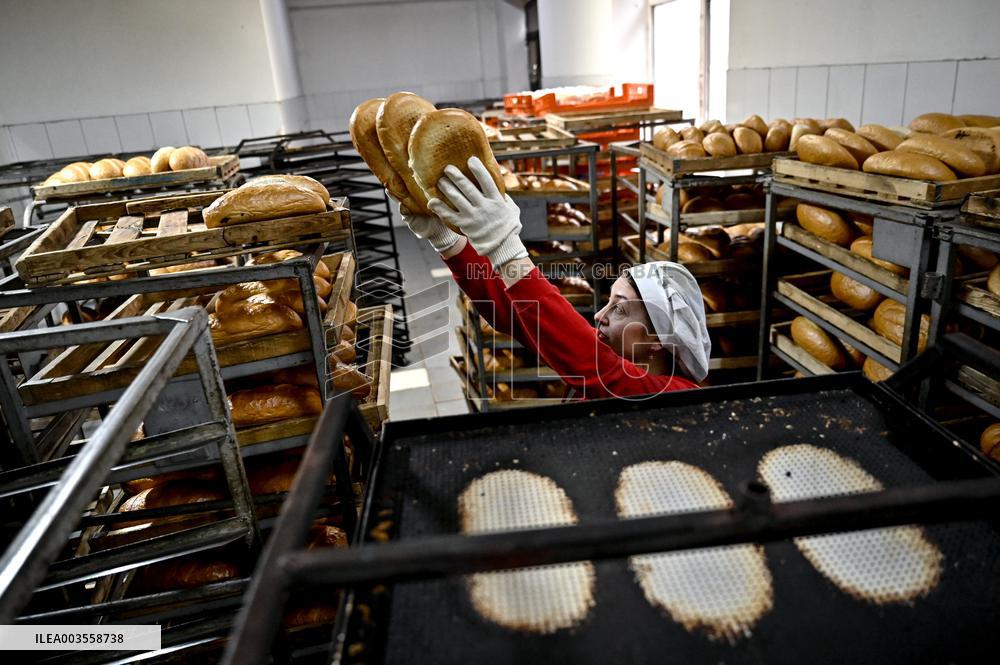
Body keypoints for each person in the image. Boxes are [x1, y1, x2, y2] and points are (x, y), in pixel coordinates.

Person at [396, 156, 711, 400]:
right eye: (609, 303)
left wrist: (507, 249)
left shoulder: (676, 396)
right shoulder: (618, 364)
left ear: (657, 340)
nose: (599, 315)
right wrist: (448, 241)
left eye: (619, 309)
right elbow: (519, 317)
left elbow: (593, 364)